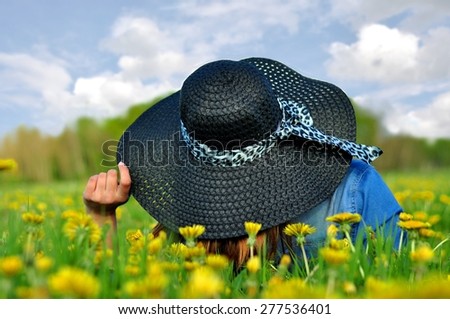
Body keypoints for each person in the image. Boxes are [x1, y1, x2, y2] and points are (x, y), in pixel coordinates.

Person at [83, 57, 403, 267]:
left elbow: (124, 298)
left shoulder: (183, 206)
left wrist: (102, 218)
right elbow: (402, 276)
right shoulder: (355, 183)